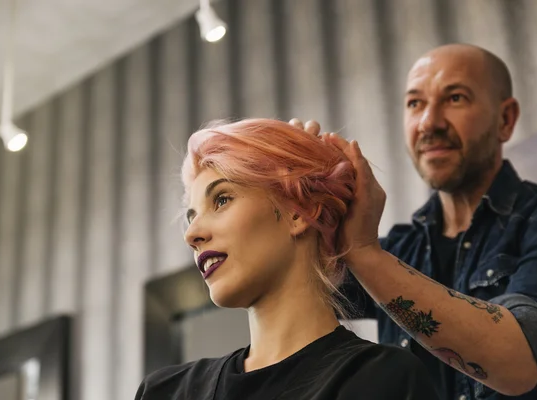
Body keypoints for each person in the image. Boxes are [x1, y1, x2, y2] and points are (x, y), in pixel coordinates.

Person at [291, 43, 537, 400]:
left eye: (455, 98)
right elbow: (295, 286)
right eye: (415, 103)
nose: (428, 123)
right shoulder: (399, 248)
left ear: (505, 119)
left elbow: (521, 361)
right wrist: (295, 191)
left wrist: (362, 251)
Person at [134, 119, 439, 400]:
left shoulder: (381, 380)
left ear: (299, 212)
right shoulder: (164, 392)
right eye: (192, 216)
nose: (192, 234)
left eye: (222, 199)